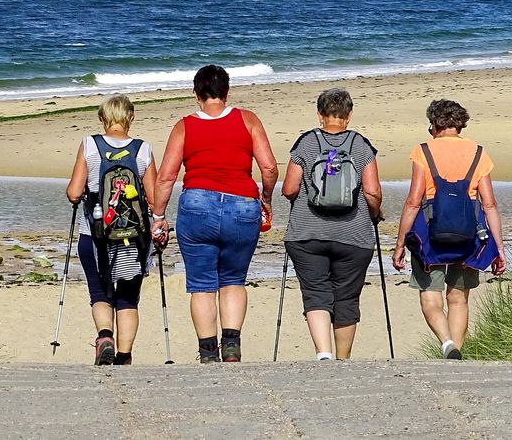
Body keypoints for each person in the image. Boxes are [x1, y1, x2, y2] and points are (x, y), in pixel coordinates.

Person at [154, 65, 278, 363]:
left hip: (197, 204)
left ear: (197, 95)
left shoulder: (185, 126)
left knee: (201, 284)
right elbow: (270, 168)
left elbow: (166, 177)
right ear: (227, 92)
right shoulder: (247, 120)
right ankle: (232, 345)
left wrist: (158, 215)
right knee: (234, 279)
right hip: (241, 204)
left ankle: (208, 351)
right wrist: (266, 198)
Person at [391, 99, 507, 360]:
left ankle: (446, 344)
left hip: (430, 234)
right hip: (469, 233)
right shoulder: (478, 152)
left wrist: (399, 244)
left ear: (434, 124)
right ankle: (456, 354)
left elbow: (413, 201)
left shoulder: (424, 151)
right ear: (460, 124)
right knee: (459, 299)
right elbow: (489, 203)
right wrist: (498, 248)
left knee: (430, 298)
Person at [281, 88, 383, 360]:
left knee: (316, 293)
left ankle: (323, 353)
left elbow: (289, 189)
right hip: (354, 234)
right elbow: (372, 192)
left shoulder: (305, 143)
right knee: (347, 297)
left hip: (306, 233)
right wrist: (375, 213)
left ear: (320, 115)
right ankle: (342, 358)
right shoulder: (362, 146)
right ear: (348, 116)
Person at [64, 95, 161, 365]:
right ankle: (124, 356)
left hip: (94, 235)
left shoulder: (88, 145)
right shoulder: (143, 149)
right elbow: (153, 199)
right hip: (134, 237)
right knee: (128, 299)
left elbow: (73, 193)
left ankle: (105, 337)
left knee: (99, 293)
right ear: (131, 118)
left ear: (102, 119)